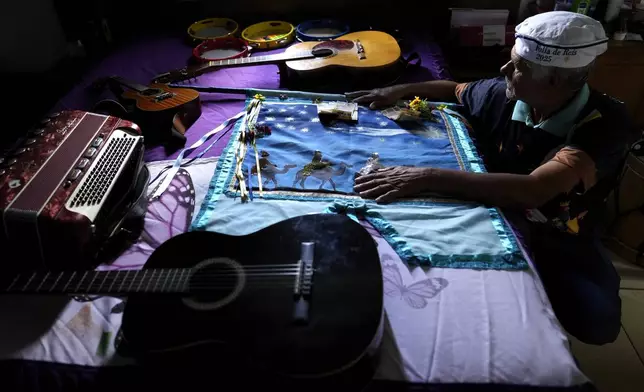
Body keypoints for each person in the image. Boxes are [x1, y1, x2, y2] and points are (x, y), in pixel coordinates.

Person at [349, 11, 638, 345]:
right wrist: (398, 90)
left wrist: (425, 176)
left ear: (556, 81)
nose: (504, 71)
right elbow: (455, 89)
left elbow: (535, 190)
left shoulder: (605, 125)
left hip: (560, 234)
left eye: (518, 66)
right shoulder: (502, 94)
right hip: (492, 208)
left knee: (597, 322)